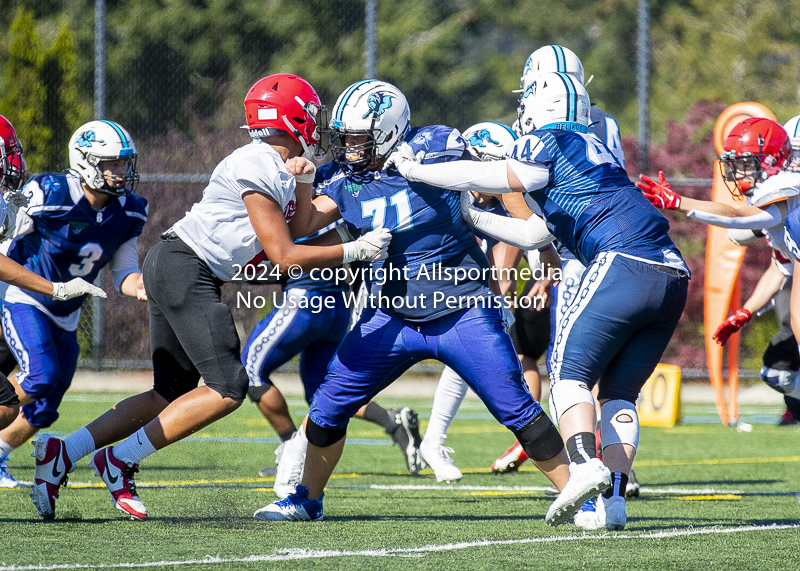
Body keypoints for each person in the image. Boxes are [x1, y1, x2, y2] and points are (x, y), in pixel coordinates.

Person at [28, 73, 392, 520]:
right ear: (294, 116)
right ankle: (118, 459)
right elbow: (284, 256)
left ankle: (64, 453)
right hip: (186, 266)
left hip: (178, 262)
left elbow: (295, 229)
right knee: (229, 386)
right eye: (311, 115)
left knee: (170, 391)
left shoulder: (273, 164)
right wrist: (353, 250)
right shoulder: (257, 164)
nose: (317, 125)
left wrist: (304, 183)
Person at [255, 79, 584, 523]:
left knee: (516, 407)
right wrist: (305, 181)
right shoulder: (343, 180)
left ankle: (581, 496)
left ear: (389, 131)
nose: (349, 148)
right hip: (389, 315)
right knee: (328, 407)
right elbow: (305, 223)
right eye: (345, 138)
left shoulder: (434, 147)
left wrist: (524, 225)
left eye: (357, 138)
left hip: (462, 309)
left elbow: (495, 176)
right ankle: (306, 498)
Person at [384, 72, 690, 530]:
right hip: (671, 274)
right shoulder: (595, 150)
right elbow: (534, 232)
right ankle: (616, 504)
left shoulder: (546, 141)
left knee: (568, 376)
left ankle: (585, 465)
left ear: (537, 107)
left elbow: (503, 174)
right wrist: (473, 215)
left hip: (623, 261)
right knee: (619, 394)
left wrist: (416, 171)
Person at [0, 120, 142, 488]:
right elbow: (4, 244)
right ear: (84, 161)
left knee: (44, 409)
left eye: (124, 163)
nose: (121, 171)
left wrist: (145, 287)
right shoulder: (48, 193)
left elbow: (125, 272)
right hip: (27, 298)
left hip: (67, 314)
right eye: (111, 163)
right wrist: (48, 287)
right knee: (40, 376)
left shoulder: (130, 210)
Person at [418, 121, 559, 483]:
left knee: (506, 363)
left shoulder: (508, 201)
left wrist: (543, 279)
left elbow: (542, 257)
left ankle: (434, 439)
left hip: (476, 296)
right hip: (428, 291)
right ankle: (431, 438)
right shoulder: (448, 192)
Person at [241, 227, 424, 498]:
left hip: (304, 302)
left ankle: (292, 452)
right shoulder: (337, 204)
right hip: (338, 307)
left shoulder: (299, 207)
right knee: (324, 394)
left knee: (249, 373)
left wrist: (239, 271)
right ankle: (392, 421)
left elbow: (282, 261)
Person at [637, 116, 800, 410]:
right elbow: (782, 266)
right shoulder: (778, 205)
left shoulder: (784, 186)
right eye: (734, 163)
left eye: (746, 163)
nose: (737, 172)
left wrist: (680, 203)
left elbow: (737, 216)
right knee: (782, 378)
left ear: (773, 158)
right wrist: (745, 313)